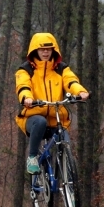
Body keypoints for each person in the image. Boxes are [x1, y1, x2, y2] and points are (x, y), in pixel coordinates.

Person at [15, 32, 89, 174]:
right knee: (41, 122)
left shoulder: (60, 68)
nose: (45, 52)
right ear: (35, 50)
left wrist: (80, 92)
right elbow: (23, 86)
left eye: (48, 49)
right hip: (33, 117)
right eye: (42, 49)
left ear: (53, 50)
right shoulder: (26, 69)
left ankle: (68, 177)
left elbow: (70, 81)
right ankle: (32, 158)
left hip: (57, 118)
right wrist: (26, 98)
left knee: (66, 143)